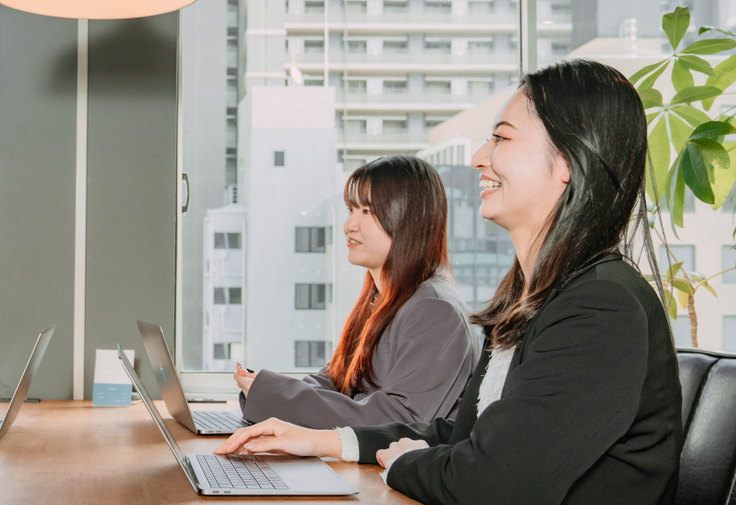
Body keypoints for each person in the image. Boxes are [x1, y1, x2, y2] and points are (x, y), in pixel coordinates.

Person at [215, 59, 683, 504]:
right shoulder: (540, 297)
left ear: (567, 163)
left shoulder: (601, 307)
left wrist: (403, 465)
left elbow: (496, 483)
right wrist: (321, 440)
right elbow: (463, 436)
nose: (480, 157)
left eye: (501, 138)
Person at [234, 156, 478, 429]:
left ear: (410, 219)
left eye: (367, 211)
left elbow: (398, 421)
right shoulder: (382, 298)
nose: (349, 224)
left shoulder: (435, 310)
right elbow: (336, 380)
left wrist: (273, 394)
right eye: (351, 209)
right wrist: (266, 390)